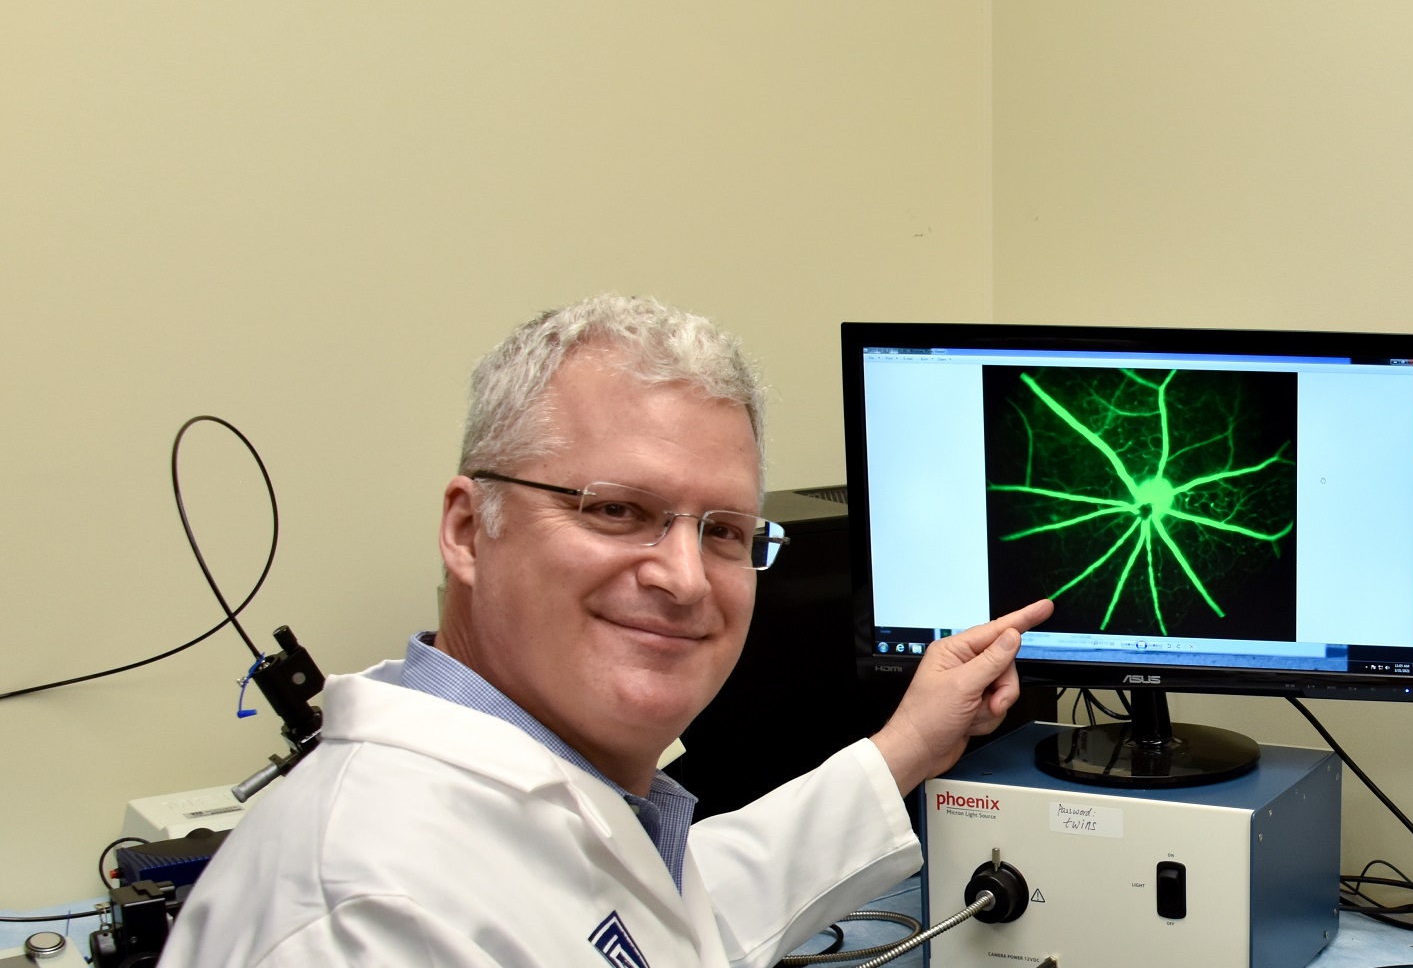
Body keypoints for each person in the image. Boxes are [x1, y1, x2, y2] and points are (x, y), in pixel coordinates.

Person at [164, 296, 1053, 967]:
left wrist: (908, 743)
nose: (684, 576)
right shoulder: (368, 912)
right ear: (469, 529)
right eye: (617, 510)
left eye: (725, 531)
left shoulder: (554, 812)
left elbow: (678, 912)